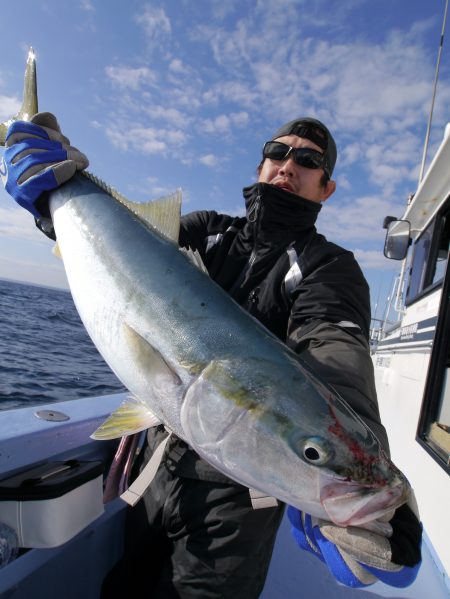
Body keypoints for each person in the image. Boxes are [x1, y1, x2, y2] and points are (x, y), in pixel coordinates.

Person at [1, 114, 422, 597]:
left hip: (239, 502)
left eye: (308, 160)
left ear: (326, 189)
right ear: (262, 164)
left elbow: (335, 358)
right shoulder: (205, 230)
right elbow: (108, 256)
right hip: (157, 463)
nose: (290, 164)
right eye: (278, 152)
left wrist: (371, 470)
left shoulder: (330, 269)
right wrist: (52, 197)